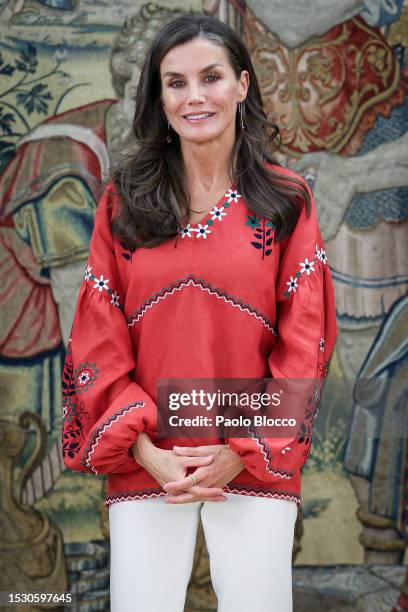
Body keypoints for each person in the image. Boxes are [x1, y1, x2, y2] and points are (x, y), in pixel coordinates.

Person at [61, 13, 338, 612]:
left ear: (242, 84)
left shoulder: (287, 201)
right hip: (149, 455)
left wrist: (239, 449)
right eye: (176, 82)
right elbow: (96, 336)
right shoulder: (123, 201)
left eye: (210, 77)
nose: (195, 97)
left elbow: (307, 337)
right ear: (159, 99)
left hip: (254, 456)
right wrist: (145, 449)